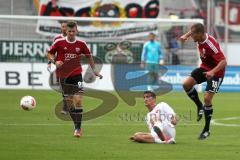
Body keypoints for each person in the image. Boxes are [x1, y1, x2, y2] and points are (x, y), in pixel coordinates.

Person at [47, 21, 102, 138]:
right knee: (69, 102)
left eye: (73, 31)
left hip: (77, 75)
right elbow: (50, 53)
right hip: (63, 76)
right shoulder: (59, 42)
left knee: (78, 100)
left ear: (76, 31)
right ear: (66, 31)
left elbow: (89, 57)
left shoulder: (81, 44)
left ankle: (78, 128)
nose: (71, 33)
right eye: (69, 31)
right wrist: (54, 61)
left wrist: (95, 71)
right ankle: (76, 124)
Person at [180, 23, 227, 140]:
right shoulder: (198, 35)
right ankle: (199, 106)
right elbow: (194, 30)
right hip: (205, 67)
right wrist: (185, 35)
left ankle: (206, 130)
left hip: (217, 72)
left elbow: (223, 62)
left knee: (207, 98)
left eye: (193, 35)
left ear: (200, 34)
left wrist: (212, 72)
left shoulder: (211, 45)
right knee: (186, 84)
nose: (192, 37)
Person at [48, 21, 68, 114]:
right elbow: (52, 52)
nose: (64, 28)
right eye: (62, 26)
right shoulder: (57, 38)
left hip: (71, 67)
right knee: (64, 88)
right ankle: (66, 106)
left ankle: (65, 107)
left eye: (65, 26)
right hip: (61, 66)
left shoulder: (73, 39)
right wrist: (50, 62)